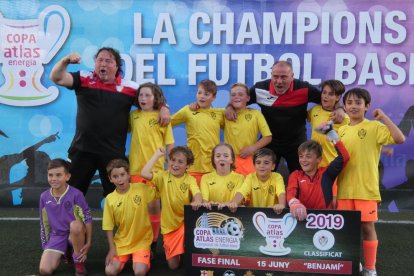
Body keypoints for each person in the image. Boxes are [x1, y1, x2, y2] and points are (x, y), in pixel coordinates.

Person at [49, 47, 170, 197]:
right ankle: (72, 221)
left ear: (117, 66)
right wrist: (66, 60)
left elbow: (152, 98)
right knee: (72, 193)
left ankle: (118, 221)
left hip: (112, 153)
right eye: (100, 60)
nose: (103, 64)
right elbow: (56, 77)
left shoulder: (129, 88)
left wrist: (164, 107)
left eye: (108, 61)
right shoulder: (83, 78)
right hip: (82, 150)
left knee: (120, 196)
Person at [225, 61, 344, 173]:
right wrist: (229, 107)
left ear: (292, 76)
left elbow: (327, 99)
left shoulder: (304, 89)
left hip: (296, 142)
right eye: (275, 76)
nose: (279, 81)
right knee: (262, 177)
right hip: (270, 142)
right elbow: (240, 99)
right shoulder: (260, 88)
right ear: (271, 75)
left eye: (284, 77)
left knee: (301, 178)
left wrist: (339, 108)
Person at [336, 88, 405, 276]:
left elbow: (400, 138)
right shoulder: (340, 130)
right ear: (345, 106)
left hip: (366, 189)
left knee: (367, 227)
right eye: (349, 102)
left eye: (358, 102)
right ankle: (352, 263)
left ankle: (370, 268)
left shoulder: (375, 127)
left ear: (367, 106)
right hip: (343, 190)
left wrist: (383, 117)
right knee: (346, 231)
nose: (353, 106)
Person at [128, 82, 174, 253]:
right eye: (141, 95)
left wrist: (171, 165)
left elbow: (170, 144)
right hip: (135, 169)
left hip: (155, 170)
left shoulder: (163, 117)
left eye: (147, 95)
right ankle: (138, 241)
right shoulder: (133, 116)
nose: (143, 98)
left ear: (156, 99)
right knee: (138, 207)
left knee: (154, 207)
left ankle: (154, 241)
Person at [141, 146, 202, 270]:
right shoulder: (163, 176)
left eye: (180, 162)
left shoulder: (190, 179)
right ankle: (175, 250)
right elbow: (144, 173)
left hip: (185, 225)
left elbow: (197, 194)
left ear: (187, 165)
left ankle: (186, 248)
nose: (175, 164)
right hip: (169, 227)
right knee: (173, 266)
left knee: (192, 252)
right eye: (173, 160)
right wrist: (157, 155)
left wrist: (197, 201)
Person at [39, 159, 92, 276]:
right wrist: (46, 246)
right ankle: (67, 253)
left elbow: (87, 217)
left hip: (75, 233)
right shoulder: (44, 197)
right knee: (45, 271)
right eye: (50, 175)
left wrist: (88, 243)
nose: (54, 178)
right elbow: (44, 223)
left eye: (58, 175)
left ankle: (78, 262)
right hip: (57, 236)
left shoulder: (76, 194)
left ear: (67, 177)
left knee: (75, 225)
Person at [103, 159, 156, 276]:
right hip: (121, 243)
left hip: (141, 242)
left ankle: (145, 253)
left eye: (122, 175)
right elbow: (108, 227)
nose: (120, 179)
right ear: (110, 179)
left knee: (140, 272)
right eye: (115, 176)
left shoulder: (141, 188)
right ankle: (127, 258)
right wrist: (112, 249)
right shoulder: (110, 199)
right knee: (110, 271)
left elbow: (159, 188)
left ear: (128, 175)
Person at [171, 80, 224, 184]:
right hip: (193, 167)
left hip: (213, 168)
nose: (202, 96)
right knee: (193, 199)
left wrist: (230, 108)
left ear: (214, 97)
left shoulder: (220, 113)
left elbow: (235, 123)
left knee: (211, 200)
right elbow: (167, 122)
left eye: (206, 94)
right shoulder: (188, 110)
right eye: (199, 93)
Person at [286, 135, 349, 221]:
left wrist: (331, 134)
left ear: (319, 159)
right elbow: (291, 192)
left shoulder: (326, 173)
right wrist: (294, 203)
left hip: (326, 221)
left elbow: (344, 157)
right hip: (302, 220)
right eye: (301, 156)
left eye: (308, 156)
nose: (303, 160)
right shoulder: (296, 175)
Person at [224, 83, 272, 175]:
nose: (236, 97)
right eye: (233, 95)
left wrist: (252, 148)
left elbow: (268, 137)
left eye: (240, 94)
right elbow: (207, 112)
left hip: (248, 160)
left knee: (248, 188)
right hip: (230, 161)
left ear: (248, 98)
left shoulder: (256, 114)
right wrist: (228, 108)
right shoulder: (225, 114)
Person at [222, 148, 286, 214]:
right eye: (258, 163)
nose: (262, 166)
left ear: (273, 166)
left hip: (273, 213)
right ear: (254, 166)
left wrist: (281, 205)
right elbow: (241, 192)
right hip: (254, 215)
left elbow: (281, 193)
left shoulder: (277, 177)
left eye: (266, 163)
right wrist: (234, 203)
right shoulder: (250, 177)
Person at [307, 80, 349, 167]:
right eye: (324, 92)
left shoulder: (344, 118)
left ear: (337, 97)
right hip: (314, 165)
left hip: (331, 166)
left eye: (330, 94)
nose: (325, 96)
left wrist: (341, 108)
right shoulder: (315, 110)